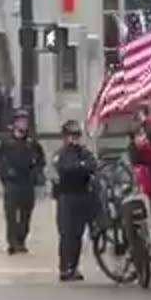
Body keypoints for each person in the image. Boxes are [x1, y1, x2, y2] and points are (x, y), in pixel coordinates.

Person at [0, 108, 45, 254]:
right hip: (12, 183)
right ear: (15, 123)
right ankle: (12, 242)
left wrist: (37, 172)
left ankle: (21, 239)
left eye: (25, 121)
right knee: (11, 215)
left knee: (25, 214)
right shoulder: (7, 142)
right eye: (20, 121)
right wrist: (6, 174)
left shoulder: (32, 143)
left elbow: (41, 161)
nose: (23, 124)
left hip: (27, 183)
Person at [51, 119, 97, 281]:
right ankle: (64, 267)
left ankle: (74, 267)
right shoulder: (60, 154)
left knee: (78, 233)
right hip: (66, 196)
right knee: (66, 233)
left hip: (82, 195)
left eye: (76, 136)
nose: (74, 139)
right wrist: (80, 167)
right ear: (64, 137)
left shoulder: (84, 152)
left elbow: (92, 165)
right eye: (71, 136)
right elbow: (65, 170)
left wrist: (80, 166)